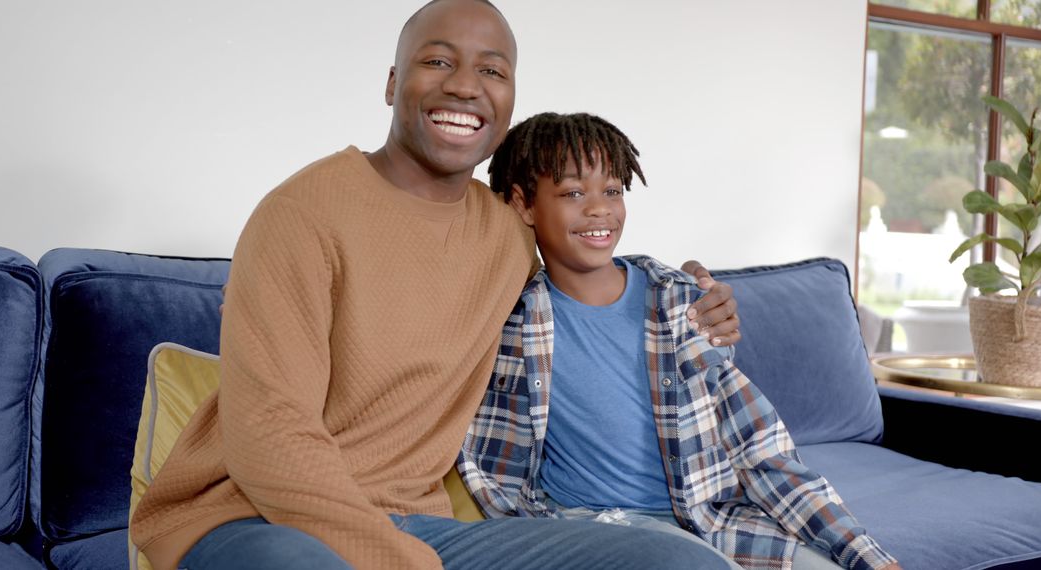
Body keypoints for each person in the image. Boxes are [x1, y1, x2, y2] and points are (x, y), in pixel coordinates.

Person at [130, 1, 741, 569]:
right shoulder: (300, 214)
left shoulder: (505, 232)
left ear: (509, 100)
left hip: (420, 527)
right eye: (438, 61)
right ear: (393, 84)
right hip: (255, 517)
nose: (465, 85)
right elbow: (268, 437)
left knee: (677, 561)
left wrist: (681, 293)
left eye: (492, 71)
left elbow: (586, 273)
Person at [457, 112, 902, 570]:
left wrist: (864, 552)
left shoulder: (681, 303)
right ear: (522, 204)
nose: (599, 209)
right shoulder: (508, 318)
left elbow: (758, 447)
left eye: (612, 190)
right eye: (573, 193)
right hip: (596, 528)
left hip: (713, 521)